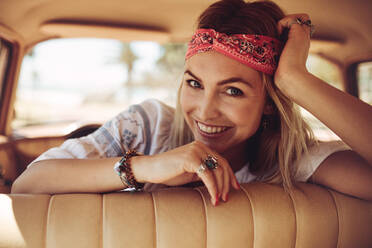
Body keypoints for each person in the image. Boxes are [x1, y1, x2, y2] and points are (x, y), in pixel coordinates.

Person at [11, 0, 372, 205]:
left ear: (268, 102)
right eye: (195, 83)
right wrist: (147, 167)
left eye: (233, 90)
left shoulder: (288, 160)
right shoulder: (149, 126)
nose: (205, 111)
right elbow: (29, 184)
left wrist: (296, 79)